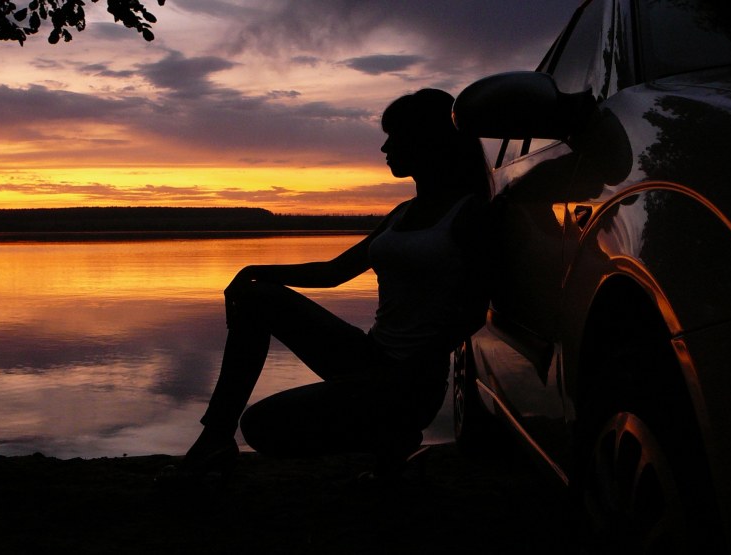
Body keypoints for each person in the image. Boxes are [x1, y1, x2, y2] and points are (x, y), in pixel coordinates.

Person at [169, 88, 492, 484]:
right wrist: (258, 270)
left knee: (262, 427)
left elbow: (477, 310)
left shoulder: (470, 212)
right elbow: (334, 272)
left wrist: (413, 365)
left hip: (412, 380)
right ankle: (216, 437)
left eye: (395, 135)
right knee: (256, 298)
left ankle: (392, 437)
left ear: (428, 138)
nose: (385, 146)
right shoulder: (403, 212)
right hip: (370, 355)